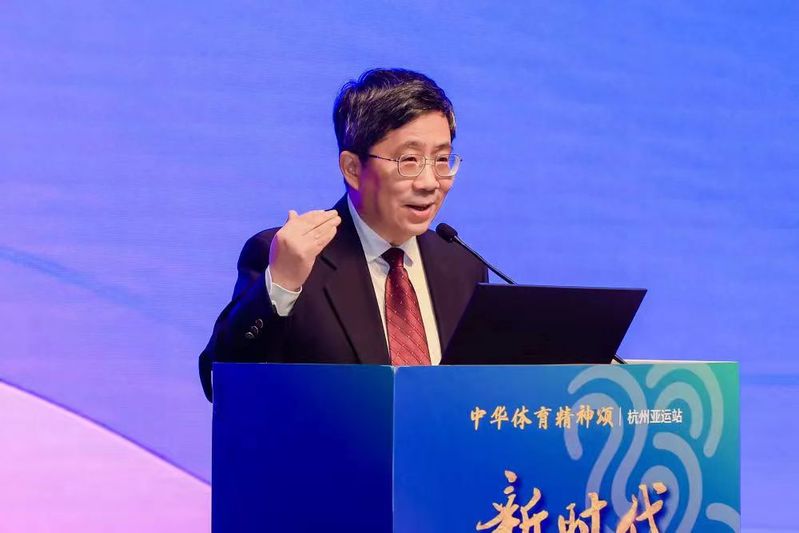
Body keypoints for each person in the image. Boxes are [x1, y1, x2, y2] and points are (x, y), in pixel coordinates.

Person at [199, 68, 487, 401]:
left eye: (441, 159)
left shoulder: (462, 265)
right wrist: (280, 286)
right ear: (352, 168)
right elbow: (221, 384)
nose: (430, 182)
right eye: (409, 160)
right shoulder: (291, 257)